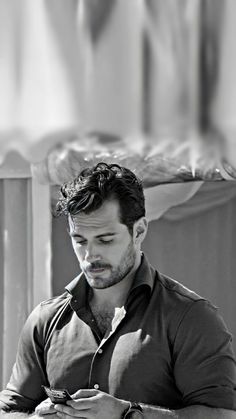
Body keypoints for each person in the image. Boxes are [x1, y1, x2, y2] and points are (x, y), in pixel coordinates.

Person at [0, 162, 236, 419]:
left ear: (139, 231)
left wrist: (127, 414)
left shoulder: (190, 317)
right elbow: (8, 411)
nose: (90, 256)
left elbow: (222, 415)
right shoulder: (44, 320)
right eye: (79, 240)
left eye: (105, 240)